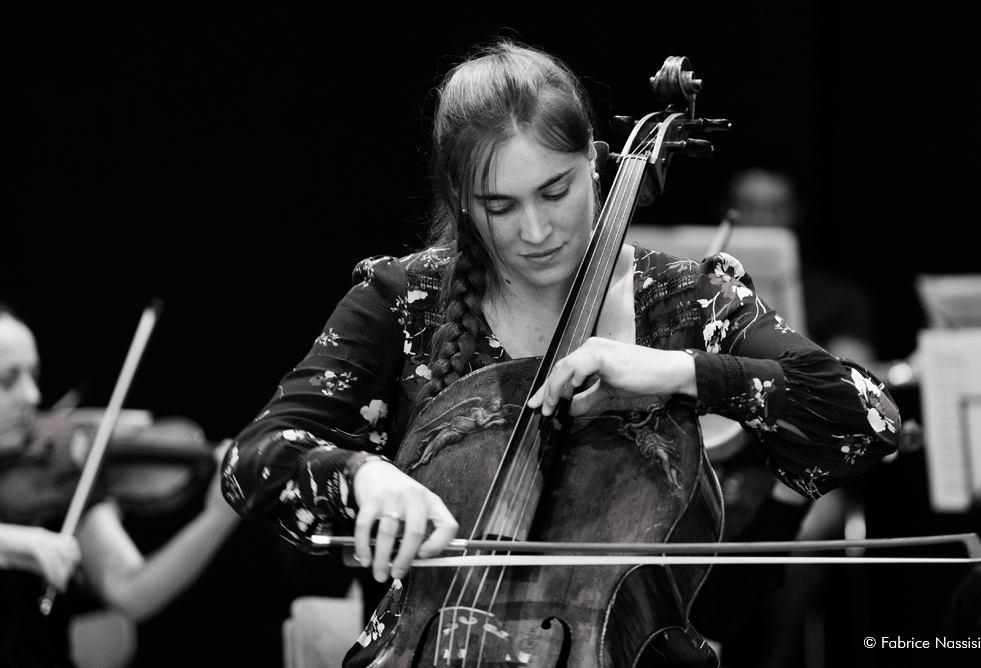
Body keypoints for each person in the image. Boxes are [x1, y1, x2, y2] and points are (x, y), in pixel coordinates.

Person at [222, 40, 900, 667]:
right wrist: (363, 476)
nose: (537, 230)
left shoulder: (685, 301)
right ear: (461, 200)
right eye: (500, 206)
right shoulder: (404, 302)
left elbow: (868, 419)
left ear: (596, 164)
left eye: (556, 191)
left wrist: (681, 372)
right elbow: (252, 459)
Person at [0, 302, 242, 667]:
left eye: (34, 375)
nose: (32, 396)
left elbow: (129, 591)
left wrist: (216, 518)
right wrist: (17, 542)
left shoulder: (64, 473)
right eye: (7, 380)